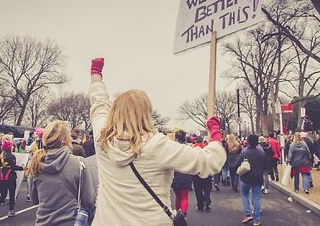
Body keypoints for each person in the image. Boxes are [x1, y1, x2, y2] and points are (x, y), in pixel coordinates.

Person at [88, 57, 226, 225]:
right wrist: (215, 131)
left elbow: (99, 103)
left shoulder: (102, 139)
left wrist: (96, 76)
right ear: (146, 113)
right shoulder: (156, 145)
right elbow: (210, 161)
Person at [27, 120, 99, 226]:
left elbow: (35, 200)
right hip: (71, 222)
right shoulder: (79, 163)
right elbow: (89, 201)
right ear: (64, 139)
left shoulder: (36, 163)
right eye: (69, 135)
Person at [234, 134, 265, 226]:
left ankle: (248, 214)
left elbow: (237, 163)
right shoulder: (261, 152)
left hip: (246, 177)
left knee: (244, 194)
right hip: (258, 177)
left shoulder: (245, 152)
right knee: (256, 197)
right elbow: (265, 163)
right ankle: (257, 219)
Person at [0, 140, 25, 219]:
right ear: (9, 147)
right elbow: (13, 167)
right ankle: (11, 211)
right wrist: (22, 168)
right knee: (12, 194)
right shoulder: (11, 156)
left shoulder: (1, 155)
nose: (13, 147)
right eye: (12, 146)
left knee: (3, 195)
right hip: (10, 177)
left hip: (2, 176)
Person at [171, 130, 194, 217]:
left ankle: (178, 214)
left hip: (176, 174)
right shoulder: (188, 149)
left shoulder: (173, 149)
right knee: (184, 197)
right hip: (186, 174)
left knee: (177, 196)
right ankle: (183, 215)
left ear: (176, 138)